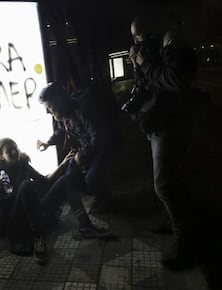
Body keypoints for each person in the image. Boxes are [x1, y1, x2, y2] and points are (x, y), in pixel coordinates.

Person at [126, 13, 209, 270]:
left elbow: (175, 80)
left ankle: (187, 244)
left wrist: (145, 62)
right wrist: (139, 67)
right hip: (159, 121)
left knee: (165, 184)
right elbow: (150, 82)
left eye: (139, 35)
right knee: (171, 178)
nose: (138, 41)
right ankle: (173, 222)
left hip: (172, 123)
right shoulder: (157, 46)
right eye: (134, 37)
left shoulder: (173, 42)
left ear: (153, 28)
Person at [37, 82, 119, 239]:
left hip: (103, 149)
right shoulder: (64, 113)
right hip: (86, 150)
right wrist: (48, 142)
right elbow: (62, 130)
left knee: (90, 182)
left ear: (59, 101)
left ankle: (104, 198)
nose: (48, 112)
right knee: (69, 178)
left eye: (50, 107)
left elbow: (99, 138)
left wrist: (82, 155)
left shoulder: (84, 110)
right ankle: (85, 224)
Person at [0, 137, 74, 265]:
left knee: (64, 179)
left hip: (33, 210)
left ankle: (85, 225)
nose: (13, 152)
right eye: (8, 151)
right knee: (26, 185)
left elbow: (45, 182)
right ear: (1, 157)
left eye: (15, 148)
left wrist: (63, 164)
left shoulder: (24, 166)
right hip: (15, 218)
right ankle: (38, 236)